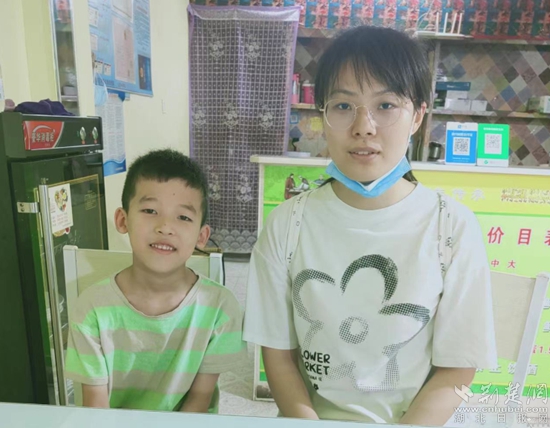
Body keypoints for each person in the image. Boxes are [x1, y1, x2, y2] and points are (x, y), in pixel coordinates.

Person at [243, 26, 497, 425]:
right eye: (344, 105)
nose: (364, 126)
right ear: (323, 114)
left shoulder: (452, 227)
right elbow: (278, 356)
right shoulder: (287, 224)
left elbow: (456, 370)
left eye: (386, 105)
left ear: (417, 116)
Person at [65, 149, 246, 412]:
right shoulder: (91, 308)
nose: (165, 227)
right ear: (123, 220)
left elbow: (199, 400)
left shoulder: (220, 307)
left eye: (183, 217)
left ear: (201, 236)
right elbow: (96, 408)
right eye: (150, 210)